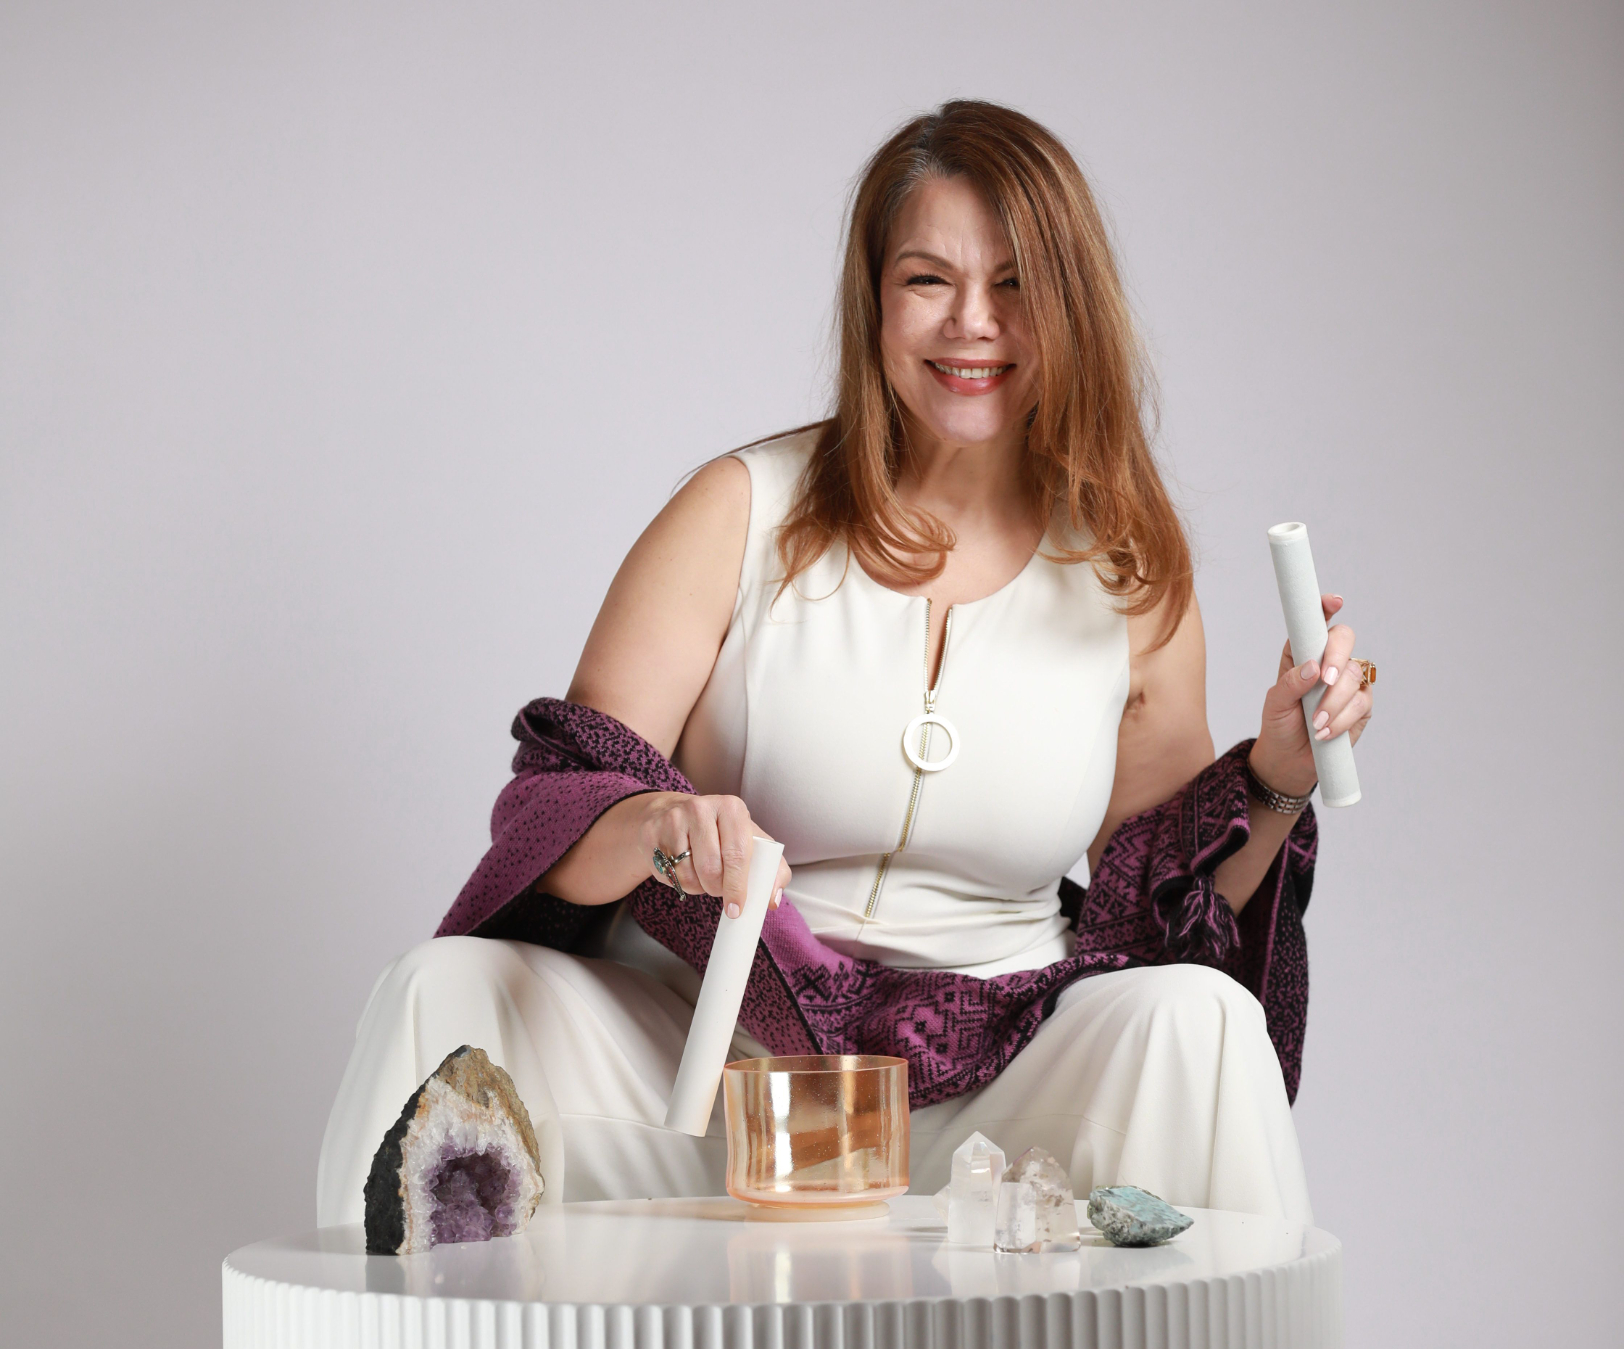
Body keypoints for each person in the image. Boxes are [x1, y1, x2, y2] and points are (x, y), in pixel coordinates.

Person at [317, 100, 1372, 1228]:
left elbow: (1157, 907)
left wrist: (1277, 776)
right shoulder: (737, 511)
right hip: (713, 1060)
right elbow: (556, 808)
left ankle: (1198, 1348)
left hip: (1002, 1079)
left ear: (1071, 305)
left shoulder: (1129, 571)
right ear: (873, 299)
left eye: (1015, 283)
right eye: (928, 280)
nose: (973, 324)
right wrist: (659, 829)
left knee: (1200, 1020)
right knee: (446, 989)